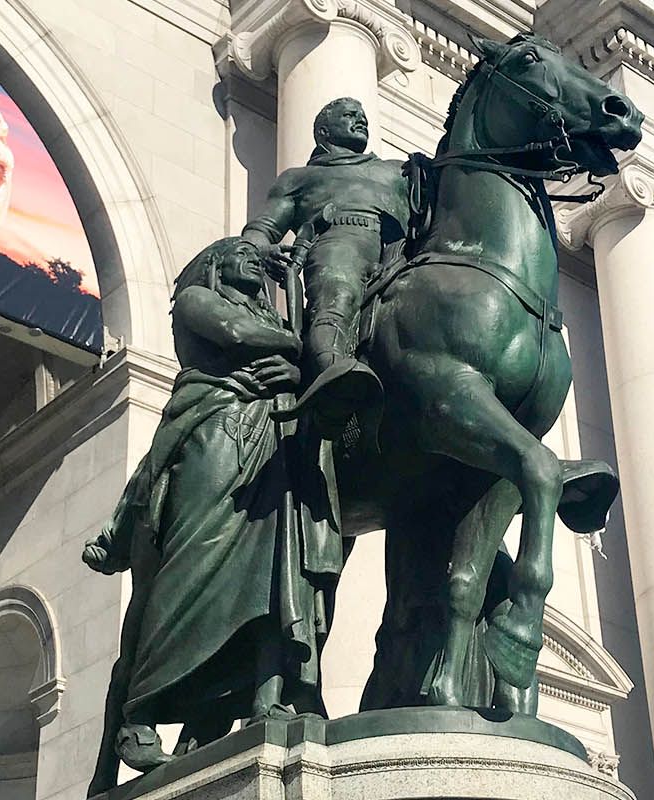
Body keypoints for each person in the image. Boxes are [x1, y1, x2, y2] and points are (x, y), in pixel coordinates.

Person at [83, 237, 343, 793]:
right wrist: (303, 346)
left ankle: (261, 697)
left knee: (276, 578)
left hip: (273, 439)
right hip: (215, 432)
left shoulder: (274, 310)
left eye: (256, 256)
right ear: (213, 264)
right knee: (192, 565)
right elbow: (239, 334)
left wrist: (293, 370)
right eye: (237, 253)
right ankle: (140, 711)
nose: (251, 259)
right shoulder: (198, 300)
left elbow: (277, 350)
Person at [240, 97, 411, 436]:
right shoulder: (300, 178)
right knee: (337, 292)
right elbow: (260, 230)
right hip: (338, 239)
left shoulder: (397, 170)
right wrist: (263, 251)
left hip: (400, 247)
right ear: (323, 130)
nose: (361, 120)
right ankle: (335, 373)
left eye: (362, 115)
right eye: (350, 115)